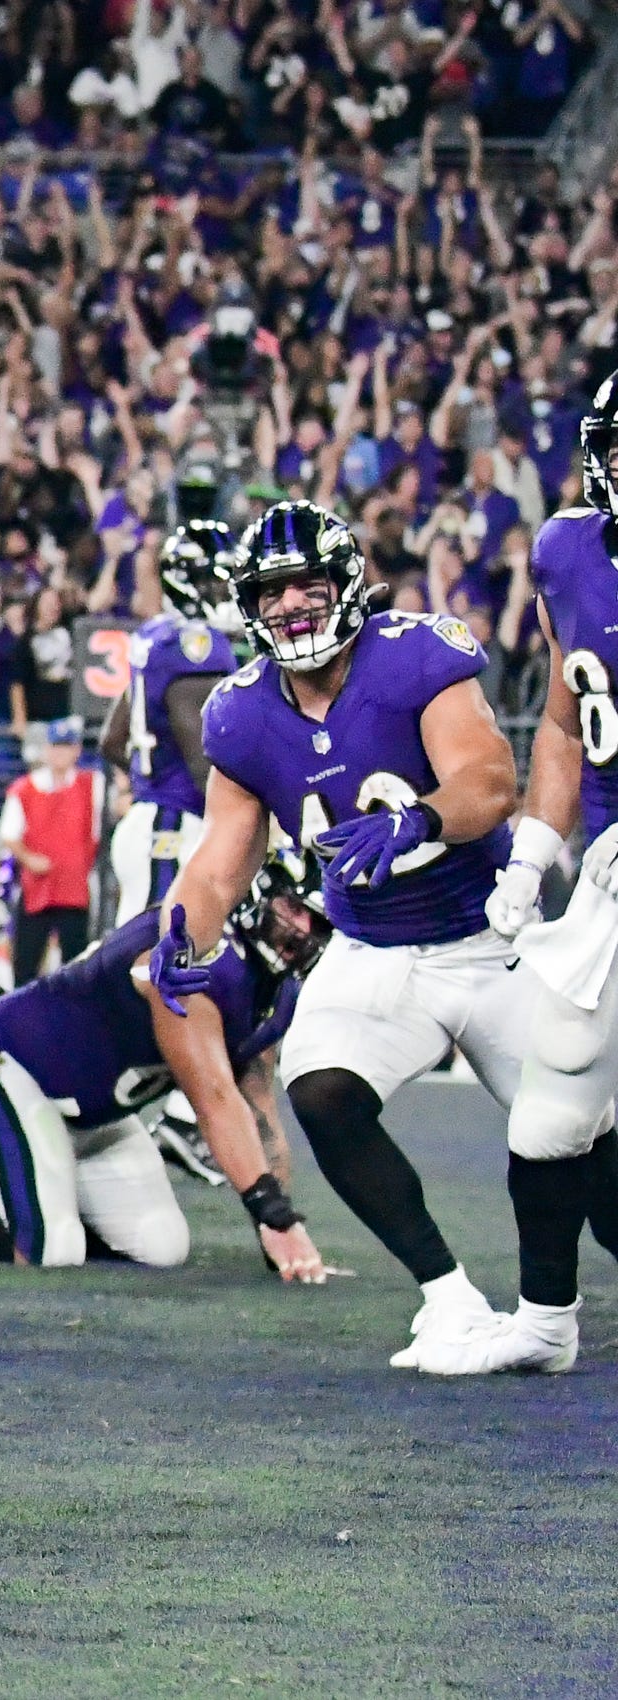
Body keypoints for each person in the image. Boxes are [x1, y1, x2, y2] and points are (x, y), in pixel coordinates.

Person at [155, 499, 521, 1372]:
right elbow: (221, 862)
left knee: (576, 1140)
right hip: (371, 947)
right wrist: (178, 935)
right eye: (270, 592)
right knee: (321, 1092)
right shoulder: (240, 712)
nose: (288, 605)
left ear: (347, 583)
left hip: (488, 936)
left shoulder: (414, 655)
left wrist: (419, 819)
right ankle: (449, 1298)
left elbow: (490, 780)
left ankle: (549, 1312)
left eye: (306, 585)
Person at [0, 859, 328, 1273]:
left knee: (160, 1246)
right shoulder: (191, 954)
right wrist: (272, 1213)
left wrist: (279, 1233)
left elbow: (258, 1106)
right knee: (48, 1250)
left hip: (93, 1114)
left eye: (318, 922)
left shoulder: (274, 992)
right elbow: (215, 1099)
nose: (300, 930)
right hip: (2, 1066)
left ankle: (16, 1191)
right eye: (293, 908)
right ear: (261, 894)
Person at [450, 385, 618, 1374]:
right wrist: (528, 851)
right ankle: (547, 1318)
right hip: (608, 868)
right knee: (554, 1093)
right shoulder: (566, 550)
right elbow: (563, 718)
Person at [100, 521, 240, 918]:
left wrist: (151, 782)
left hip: (152, 820)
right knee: (159, 945)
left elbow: (112, 740)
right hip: (172, 826)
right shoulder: (195, 647)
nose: (226, 593)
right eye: (217, 583)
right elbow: (202, 763)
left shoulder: (156, 636)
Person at [0, 718, 104, 983]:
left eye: (66, 747)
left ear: (77, 750)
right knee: (26, 962)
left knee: (76, 963)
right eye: (56, 746)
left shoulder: (92, 785)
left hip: (75, 888)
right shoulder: (25, 788)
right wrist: (28, 858)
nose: (60, 753)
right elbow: (8, 833)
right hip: (37, 888)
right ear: (46, 750)